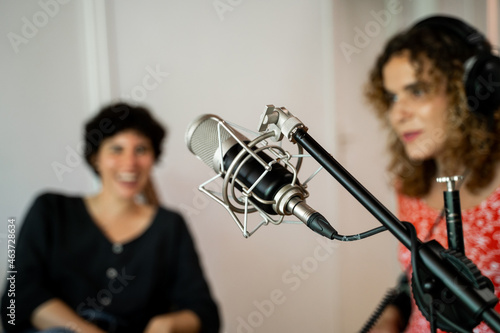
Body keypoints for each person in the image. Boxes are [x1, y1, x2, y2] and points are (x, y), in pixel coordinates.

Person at [1, 103, 220, 333]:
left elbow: (204, 312)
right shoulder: (51, 210)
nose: (130, 163)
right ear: (96, 157)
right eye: (116, 149)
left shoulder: (169, 226)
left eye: (141, 149)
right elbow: (17, 298)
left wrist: (167, 324)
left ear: (153, 158)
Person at [364, 15, 500, 332]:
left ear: (467, 91)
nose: (398, 113)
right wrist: (390, 316)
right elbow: (415, 277)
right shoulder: (409, 185)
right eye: (393, 97)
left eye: (418, 91)